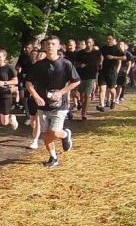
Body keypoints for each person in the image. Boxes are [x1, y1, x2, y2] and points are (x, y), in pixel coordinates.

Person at [25, 36, 80, 168]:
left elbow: (76, 81)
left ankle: (65, 134)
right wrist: (36, 96)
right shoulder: (38, 65)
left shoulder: (66, 64)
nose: (50, 46)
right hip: (43, 105)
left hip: (60, 105)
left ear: (58, 46)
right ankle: (53, 157)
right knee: (46, 133)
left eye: (53, 44)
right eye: (48, 44)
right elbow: (28, 82)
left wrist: (61, 92)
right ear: (44, 46)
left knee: (54, 132)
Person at [75, 37, 102, 120]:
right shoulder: (80, 53)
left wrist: (100, 65)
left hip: (91, 76)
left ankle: (84, 113)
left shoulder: (97, 53)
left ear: (93, 43)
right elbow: (76, 63)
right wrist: (80, 65)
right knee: (81, 94)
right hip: (81, 75)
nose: (88, 44)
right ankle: (80, 103)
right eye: (87, 42)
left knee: (87, 95)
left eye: (90, 42)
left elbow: (100, 59)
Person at [96, 35, 124, 111]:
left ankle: (113, 100)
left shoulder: (116, 48)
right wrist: (100, 62)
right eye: (107, 39)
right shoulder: (103, 48)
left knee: (111, 89)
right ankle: (101, 105)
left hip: (111, 71)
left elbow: (124, 57)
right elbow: (100, 56)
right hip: (102, 70)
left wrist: (114, 57)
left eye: (110, 39)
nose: (108, 40)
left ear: (113, 40)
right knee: (102, 88)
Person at [25, 49, 46, 149]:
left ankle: (35, 140)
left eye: (42, 57)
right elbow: (27, 82)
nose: (39, 58)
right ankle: (35, 136)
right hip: (31, 97)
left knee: (38, 118)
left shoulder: (48, 70)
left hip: (42, 97)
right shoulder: (33, 69)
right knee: (33, 120)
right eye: (39, 57)